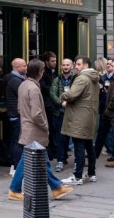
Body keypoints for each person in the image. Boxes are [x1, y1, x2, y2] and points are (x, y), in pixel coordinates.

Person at [7, 59, 73, 201]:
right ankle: (16, 189)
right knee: (36, 161)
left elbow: (20, 108)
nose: (43, 73)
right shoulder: (34, 88)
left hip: (27, 128)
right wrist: (45, 126)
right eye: (42, 70)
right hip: (35, 131)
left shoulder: (23, 85)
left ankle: (55, 188)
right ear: (39, 73)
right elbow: (36, 114)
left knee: (38, 161)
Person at [60, 56, 100, 185]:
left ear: (86, 65)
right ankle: (92, 173)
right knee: (89, 145)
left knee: (79, 146)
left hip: (79, 117)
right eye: (75, 64)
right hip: (89, 116)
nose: (75, 67)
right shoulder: (93, 78)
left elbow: (71, 94)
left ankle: (77, 176)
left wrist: (63, 94)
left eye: (78, 64)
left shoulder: (82, 78)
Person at [2, 58, 27, 175]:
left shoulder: (15, 79)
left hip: (14, 114)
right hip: (17, 115)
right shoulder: (15, 81)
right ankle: (16, 167)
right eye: (24, 66)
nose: (26, 68)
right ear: (17, 68)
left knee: (15, 141)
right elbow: (25, 96)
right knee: (17, 141)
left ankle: (15, 166)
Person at [50, 58, 75, 173]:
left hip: (73, 113)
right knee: (60, 138)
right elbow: (52, 94)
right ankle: (60, 160)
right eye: (64, 65)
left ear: (72, 66)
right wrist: (61, 103)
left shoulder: (76, 79)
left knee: (74, 138)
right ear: (61, 66)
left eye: (67, 65)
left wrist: (69, 103)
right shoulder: (56, 80)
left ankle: (76, 161)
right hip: (59, 113)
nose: (65, 67)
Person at [41, 51, 58, 160]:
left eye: (55, 61)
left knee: (55, 129)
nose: (55, 63)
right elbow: (44, 88)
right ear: (46, 62)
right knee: (50, 129)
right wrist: (54, 90)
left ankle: (55, 150)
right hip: (47, 105)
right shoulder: (43, 73)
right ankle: (51, 151)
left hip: (53, 104)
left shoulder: (53, 72)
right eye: (52, 61)